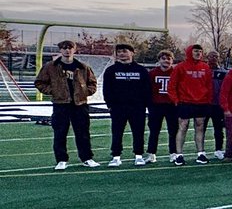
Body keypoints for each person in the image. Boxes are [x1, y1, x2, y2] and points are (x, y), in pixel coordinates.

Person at [35, 39, 100, 170]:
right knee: (60, 133)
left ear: (74, 50)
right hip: (60, 104)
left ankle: (87, 158)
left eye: (70, 47)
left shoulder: (82, 67)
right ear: (60, 50)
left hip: (80, 104)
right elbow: (40, 83)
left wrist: (84, 92)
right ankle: (61, 159)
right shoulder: (50, 67)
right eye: (64, 48)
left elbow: (92, 84)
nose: (67, 50)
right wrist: (53, 91)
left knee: (83, 133)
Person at [103, 42, 150, 167]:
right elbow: (107, 89)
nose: (122, 54)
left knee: (138, 132)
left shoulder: (141, 70)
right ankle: (116, 156)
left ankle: (138, 156)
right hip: (118, 107)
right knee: (117, 132)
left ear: (132, 53)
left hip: (137, 107)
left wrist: (144, 104)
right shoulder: (111, 70)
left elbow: (147, 89)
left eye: (125, 51)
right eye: (119, 52)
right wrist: (110, 104)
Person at [168, 44, 213, 165]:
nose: (198, 53)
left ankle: (201, 154)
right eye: (195, 51)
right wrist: (176, 100)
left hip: (201, 102)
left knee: (200, 126)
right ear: (189, 52)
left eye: (200, 51)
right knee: (183, 126)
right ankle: (179, 155)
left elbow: (209, 85)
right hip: (185, 102)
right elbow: (172, 85)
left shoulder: (205, 67)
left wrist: (208, 100)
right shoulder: (180, 67)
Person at [146, 50, 178, 163]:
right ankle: (151, 153)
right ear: (159, 60)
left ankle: (173, 153)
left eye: (169, 58)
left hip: (172, 105)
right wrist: (149, 104)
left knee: (173, 130)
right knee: (154, 130)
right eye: (163, 58)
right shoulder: (152, 73)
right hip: (156, 105)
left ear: (172, 60)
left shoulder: (176, 72)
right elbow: (147, 90)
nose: (166, 60)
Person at [205, 51, 227, 160]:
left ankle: (218, 150)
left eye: (216, 56)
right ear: (207, 57)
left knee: (218, 129)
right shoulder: (203, 70)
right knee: (201, 129)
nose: (214, 58)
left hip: (218, 105)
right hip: (204, 105)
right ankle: (201, 151)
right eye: (212, 56)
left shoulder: (223, 72)